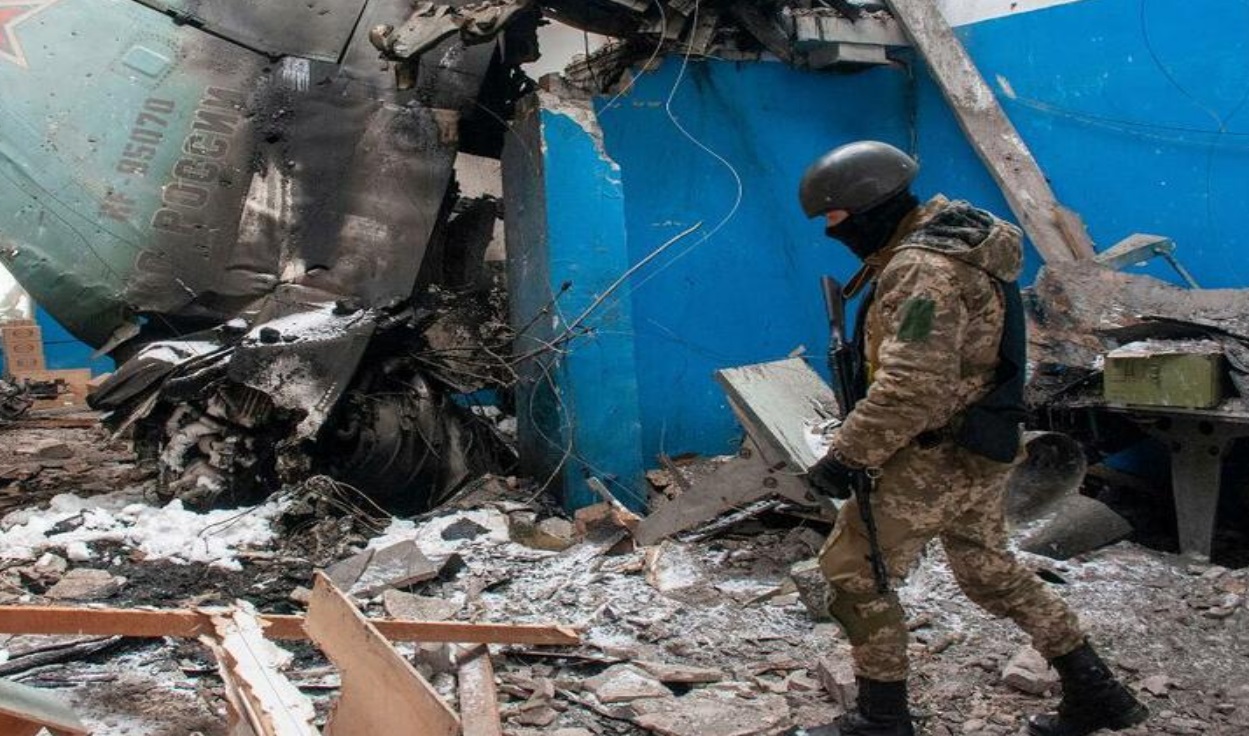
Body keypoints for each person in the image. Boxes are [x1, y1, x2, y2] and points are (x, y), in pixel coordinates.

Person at [793, 141, 1148, 736]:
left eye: (836, 217)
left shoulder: (923, 269)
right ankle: (1099, 692)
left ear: (870, 205)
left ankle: (881, 719)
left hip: (935, 453)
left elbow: (912, 384)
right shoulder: (961, 239)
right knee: (988, 570)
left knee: (852, 573)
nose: (833, 231)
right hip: (981, 439)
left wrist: (846, 456)